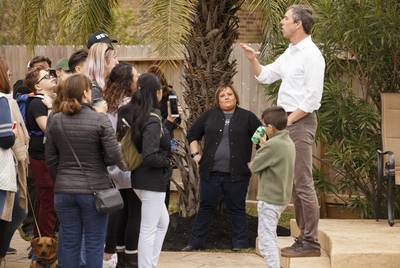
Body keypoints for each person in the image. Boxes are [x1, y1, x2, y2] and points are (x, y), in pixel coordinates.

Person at [240, 4, 325, 257]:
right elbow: (265, 75)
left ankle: (310, 242)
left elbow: (312, 101)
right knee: (295, 182)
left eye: (286, 18)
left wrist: (287, 123)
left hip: (299, 122)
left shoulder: (312, 55)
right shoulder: (291, 52)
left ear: (298, 24)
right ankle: (303, 239)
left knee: (302, 182)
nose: (281, 22)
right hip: (287, 123)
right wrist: (253, 60)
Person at [45, 74, 125, 268]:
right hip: (94, 190)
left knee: (70, 243)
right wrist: (103, 162)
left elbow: (50, 159)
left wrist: (62, 179)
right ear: (85, 93)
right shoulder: (100, 120)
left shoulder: (55, 120)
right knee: (94, 243)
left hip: (64, 191)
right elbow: (115, 156)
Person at [183, 85, 261, 251]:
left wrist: (256, 162)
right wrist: (195, 154)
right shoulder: (209, 116)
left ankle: (240, 244)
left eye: (230, 94)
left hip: (237, 174)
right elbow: (193, 134)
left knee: (237, 208)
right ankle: (195, 243)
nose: (226, 97)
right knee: (205, 207)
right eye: (222, 95)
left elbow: (262, 137)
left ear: (235, 97)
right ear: (217, 100)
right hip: (210, 173)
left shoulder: (248, 117)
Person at [128, 73, 174, 268]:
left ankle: (150, 263)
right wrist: (169, 161)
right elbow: (150, 155)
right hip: (151, 181)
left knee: (162, 222)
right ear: (158, 92)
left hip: (142, 180)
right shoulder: (153, 119)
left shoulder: (140, 114)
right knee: (148, 229)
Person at [102, 63, 141, 267]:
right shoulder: (132, 105)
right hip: (129, 163)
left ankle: (117, 256)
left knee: (119, 211)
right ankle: (131, 260)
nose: (139, 79)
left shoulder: (104, 103)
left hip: (111, 165)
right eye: (136, 77)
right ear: (128, 81)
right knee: (135, 212)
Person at [249, 106, 295, 268]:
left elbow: (255, 167)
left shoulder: (273, 145)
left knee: (265, 241)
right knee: (271, 236)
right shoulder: (288, 142)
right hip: (281, 197)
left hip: (270, 199)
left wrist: (262, 146)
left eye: (264, 125)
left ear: (270, 127)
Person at [0, 57, 29, 265]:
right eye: (8, 74)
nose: (10, 78)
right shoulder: (2, 101)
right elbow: (6, 138)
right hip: (2, 170)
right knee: (15, 211)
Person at [24, 66, 58, 238]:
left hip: (46, 157)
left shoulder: (46, 99)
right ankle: (47, 240)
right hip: (41, 158)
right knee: (48, 200)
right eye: (46, 76)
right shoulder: (38, 103)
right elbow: (49, 130)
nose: (51, 77)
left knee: (44, 198)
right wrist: (51, 109)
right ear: (37, 86)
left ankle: (40, 237)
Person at [147, 64, 181, 209]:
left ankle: (163, 210)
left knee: (165, 174)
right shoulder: (147, 98)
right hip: (165, 137)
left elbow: (177, 120)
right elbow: (177, 120)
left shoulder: (169, 94)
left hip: (165, 137)